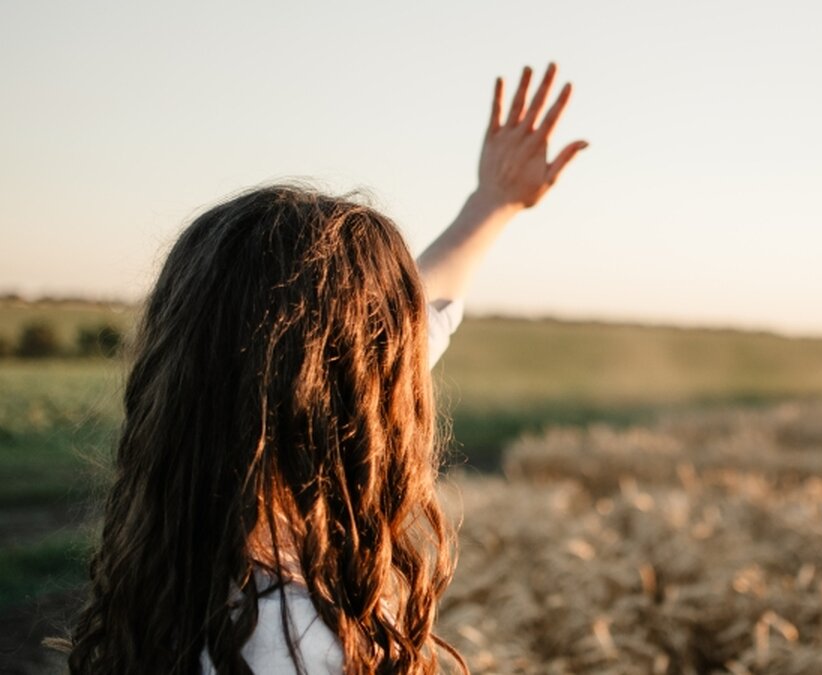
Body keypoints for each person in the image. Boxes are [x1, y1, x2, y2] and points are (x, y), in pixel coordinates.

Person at [64, 63, 587, 674]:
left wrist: (492, 204)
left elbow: (408, 326)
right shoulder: (301, 648)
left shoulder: (183, 564)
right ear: (345, 398)